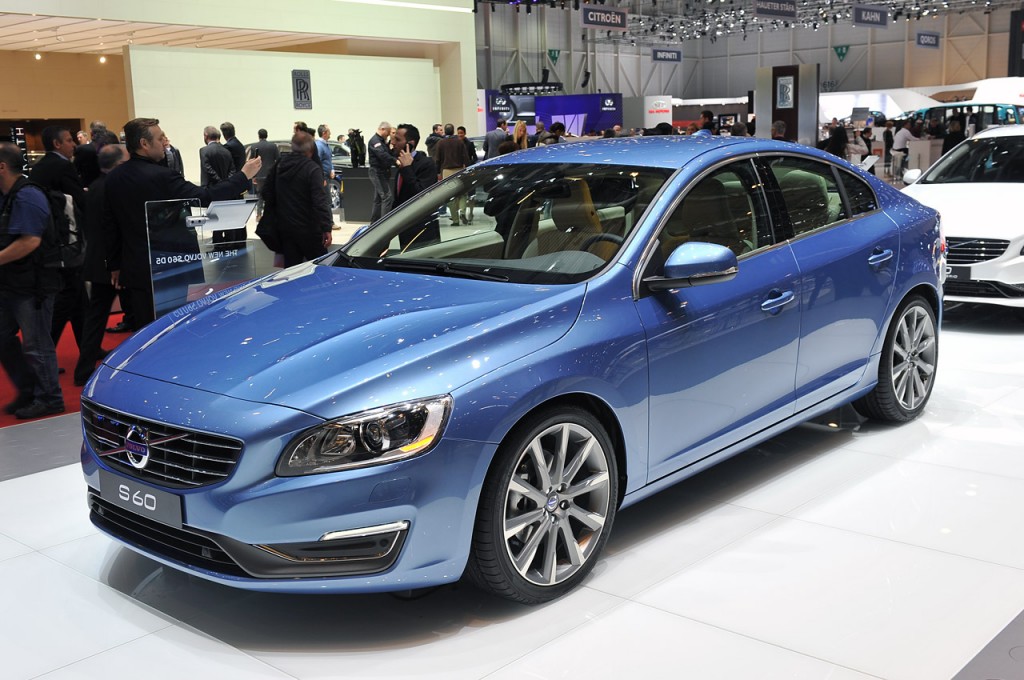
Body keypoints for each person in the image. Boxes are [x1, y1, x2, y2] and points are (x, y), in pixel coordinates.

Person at [103, 117, 261, 328]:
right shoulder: (162, 176)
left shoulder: (114, 178)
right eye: (160, 138)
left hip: (135, 267)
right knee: (174, 327)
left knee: (144, 329)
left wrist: (114, 264)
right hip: (169, 264)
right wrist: (243, 176)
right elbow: (204, 197)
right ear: (144, 143)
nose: (165, 142)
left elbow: (110, 225)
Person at [0, 142, 64, 419]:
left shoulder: (27, 195)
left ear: (2, 167)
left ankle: (49, 398)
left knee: (36, 344)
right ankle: (29, 390)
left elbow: (29, 242)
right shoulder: (9, 195)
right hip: (12, 282)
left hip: (33, 285)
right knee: (4, 337)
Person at [30, 126, 87, 358]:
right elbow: (79, 201)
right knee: (68, 297)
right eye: (69, 140)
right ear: (57, 144)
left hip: (51, 242)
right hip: (66, 241)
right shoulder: (63, 166)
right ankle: (45, 352)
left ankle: (87, 348)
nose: (73, 144)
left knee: (78, 299)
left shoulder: (39, 167)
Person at [75, 143, 128, 386]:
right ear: (119, 164)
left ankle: (84, 367)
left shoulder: (94, 187)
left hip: (97, 259)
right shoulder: (114, 188)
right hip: (113, 261)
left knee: (96, 317)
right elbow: (113, 229)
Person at [260, 131, 333, 268]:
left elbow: (266, 192)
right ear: (311, 150)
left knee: (291, 270)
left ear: (292, 146)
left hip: (285, 228)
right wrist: (326, 227)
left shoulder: (279, 165)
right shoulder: (312, 169)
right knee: (320, 268)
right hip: (309, 228)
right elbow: (319, 202)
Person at [391, 123, 439, 248]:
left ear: (410, 144)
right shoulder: (401, 165)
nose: (393, 143)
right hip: (405, 227)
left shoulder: (426, 164)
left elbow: (421, 195)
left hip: (422, 231)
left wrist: (407, 168)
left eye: (397, 140)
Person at [433, 124, 471, 225]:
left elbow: (438, 159)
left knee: (450, 196)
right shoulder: (459, 141)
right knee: (463, 193)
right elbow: (465, 157)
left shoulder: (441, 143)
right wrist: (467, 168)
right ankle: (462, 211)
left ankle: (455, 220)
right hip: (459, 170)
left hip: (446, 171)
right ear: (453, 131)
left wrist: (438, 172)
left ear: (445, 132)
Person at [367, 121, 395, 222]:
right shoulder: (375, 141)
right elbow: (382, 155)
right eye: (388, 132)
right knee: (387, 197)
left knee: (378, 199)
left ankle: (374, 223)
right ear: (383, 129)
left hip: (382, 172)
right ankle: (384, 224)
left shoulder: (382, 141)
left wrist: (391, 149)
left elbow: (386, 153)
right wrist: (395, 161)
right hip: (377, 172)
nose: (389, 134)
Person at [249, 128, 280, 214]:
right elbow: (278, 160)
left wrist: (253, 176)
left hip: (259, 175)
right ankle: (270, 214)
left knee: (260, 195)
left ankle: (259, 214)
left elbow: (252, 162)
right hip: (270, 175)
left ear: (258, 136)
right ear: (267, 135)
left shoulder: (254, 147)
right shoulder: (273, 146)